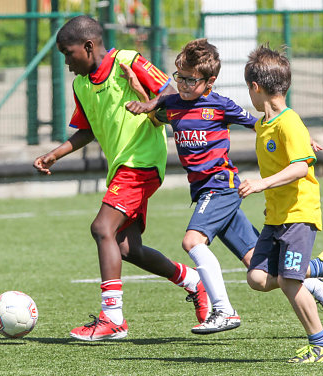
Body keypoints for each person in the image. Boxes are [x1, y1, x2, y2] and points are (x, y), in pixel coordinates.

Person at [125, 38, 323, 334]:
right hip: (203, 191)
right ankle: (319, 284)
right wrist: (141, 95)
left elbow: (262, 124)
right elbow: (155, 116)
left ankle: (223, 311)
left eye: (192, 80)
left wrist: (302, 140)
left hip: (221, 187)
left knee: (192, 242)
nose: (185, 85)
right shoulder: (173, 104)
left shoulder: (220, 105)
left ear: (210, 81)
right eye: (180, 78)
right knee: (258, 268)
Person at [33, 15, 211, 341]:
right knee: (128, 248)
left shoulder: (128, 61)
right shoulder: (81, 85)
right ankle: (193, 281)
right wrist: (54, 155)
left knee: (102, 228)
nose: (66, 62)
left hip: (142, 161)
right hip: (121, 167)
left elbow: (170, 94)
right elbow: (87, 129)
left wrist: (147, 99)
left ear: (88, 46)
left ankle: (113, 318)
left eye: (68, 53)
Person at [240, 43, 323, 363]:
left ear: (255, 88)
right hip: (276, 215)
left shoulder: (289, 122)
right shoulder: (265, 125)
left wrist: (262, 184)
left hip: (299, 213)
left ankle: (322, 345)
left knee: (289, 280)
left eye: (249, 89)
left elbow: (302, 166)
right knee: (257, 278)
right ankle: (322, 266)